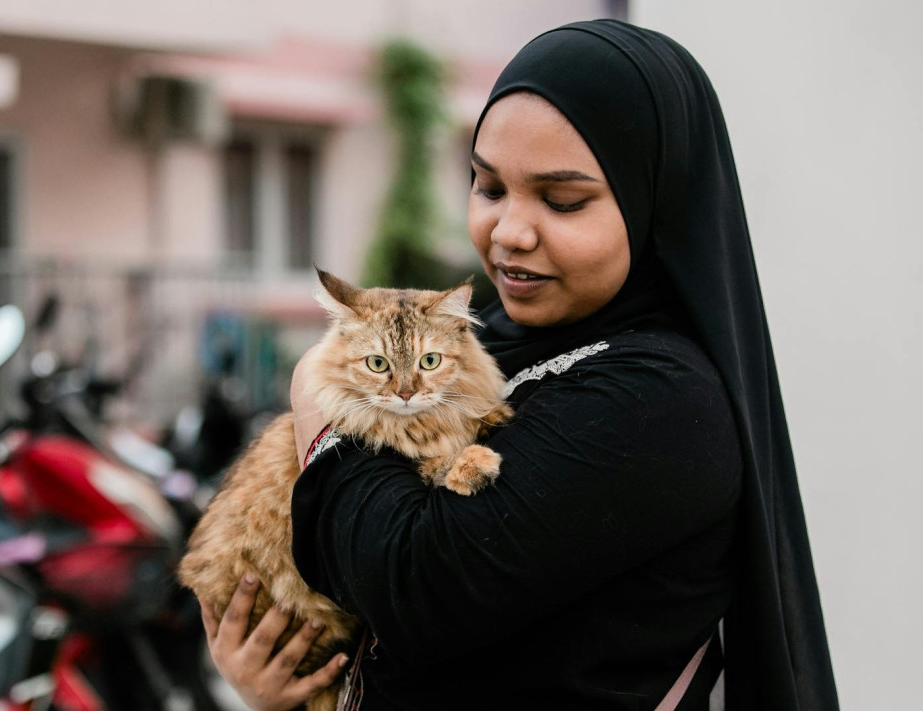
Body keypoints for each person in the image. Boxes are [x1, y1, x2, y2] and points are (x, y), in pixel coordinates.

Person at [198, 19, 838, 711]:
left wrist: (320, 406)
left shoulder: (661, 398)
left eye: (562, 200)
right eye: (488, 187)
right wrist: (297, 681)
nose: (508, 233)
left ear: (655, 200)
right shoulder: (489, 342)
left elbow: (412, 583)